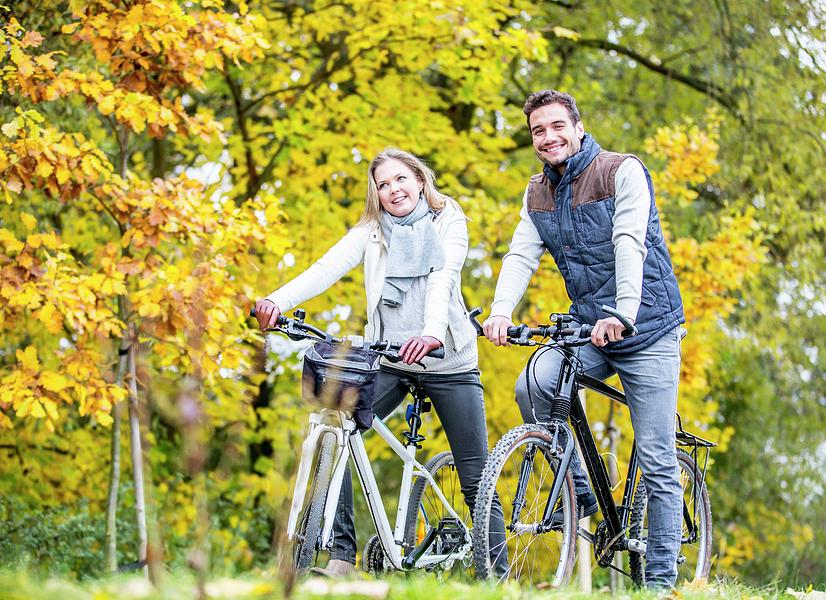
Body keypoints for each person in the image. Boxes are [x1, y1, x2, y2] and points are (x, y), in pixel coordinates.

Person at [254, 148, 507, 578]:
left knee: (475, 478)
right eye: (383, 185)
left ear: (420, 179)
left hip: (448, 362)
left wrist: (430, 332)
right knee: (337, 428)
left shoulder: (449, 218)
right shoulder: (373, 230)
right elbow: (327, 266)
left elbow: (442, 278)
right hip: (390, 357)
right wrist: (277, 300)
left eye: (400, 179)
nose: (393, 190)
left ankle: (499, 577)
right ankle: (340, 555)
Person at [483, 90, 685, 589]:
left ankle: (660, 582)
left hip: (649, 324)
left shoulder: (622, 171)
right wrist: (501, 312)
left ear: (577, 126)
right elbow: (520, 256)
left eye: (556, 126)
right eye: (537, 130)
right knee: (535, 386)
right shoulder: (538, 193)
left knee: (657, 456)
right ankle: (580, 492)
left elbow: (629, 242)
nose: (547, 137)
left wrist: (624, 311)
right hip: (589, 327)